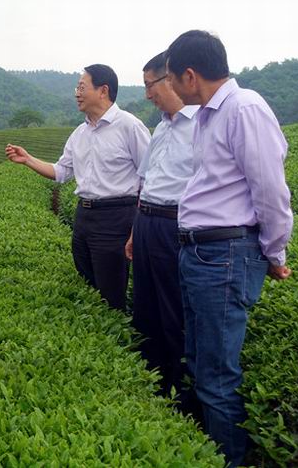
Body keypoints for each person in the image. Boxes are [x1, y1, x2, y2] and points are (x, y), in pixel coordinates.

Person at [166, 30, 293, 467]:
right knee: (200, 361)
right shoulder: (208, 116)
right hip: (201, 253)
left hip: (225, 255)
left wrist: (275, 252)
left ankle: (230, 459)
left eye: (170, 78)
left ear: (190, 75)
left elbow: (270, 190)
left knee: (217, 376)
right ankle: (205, 452)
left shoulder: (244, 108)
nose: (168, 86)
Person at [6, 64, 150, 311]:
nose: (77, 93)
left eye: (82, 87)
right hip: (84, 215)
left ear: (103, 90)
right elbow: (61, 172)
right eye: (77, 88)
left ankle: (117, 330)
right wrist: (28, 159)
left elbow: (149, 176)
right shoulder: (79, 133)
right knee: (87, 281)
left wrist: (138, 226)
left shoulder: (129, 126)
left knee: (110, 291)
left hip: (116, 216)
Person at [123, 51, 198, 407]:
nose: (147, 94)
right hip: (147, 222)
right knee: (145, 307)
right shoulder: (163, 127)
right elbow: (147, 182)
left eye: (149, 85)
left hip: (175, 224)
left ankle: (179, 393)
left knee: (173, 312)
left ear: (170, 79)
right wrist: (135, 231)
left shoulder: (201, 124)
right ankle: (150, 383)